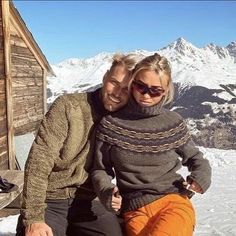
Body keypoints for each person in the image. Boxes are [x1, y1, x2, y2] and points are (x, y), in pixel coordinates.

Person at [16, 53, 138, 236]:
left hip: (90, 201)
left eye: (126, 89)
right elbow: (39, 161)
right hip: (50, 200)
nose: (117, 93)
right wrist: (34, 218)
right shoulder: (69, 107)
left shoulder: (125, 122)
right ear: (105, 77)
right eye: (114, 82)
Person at [92, 53, 212, 236]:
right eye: (141, 87)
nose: (146, 95)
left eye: (155, 90)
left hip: (173, 201)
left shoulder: (172, 122)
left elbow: (196, 158)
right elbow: (100, 169)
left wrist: (201, 176)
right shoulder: (112, 125)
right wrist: (106, 191)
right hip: (134, 210)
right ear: (133, 82)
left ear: (165, 90)